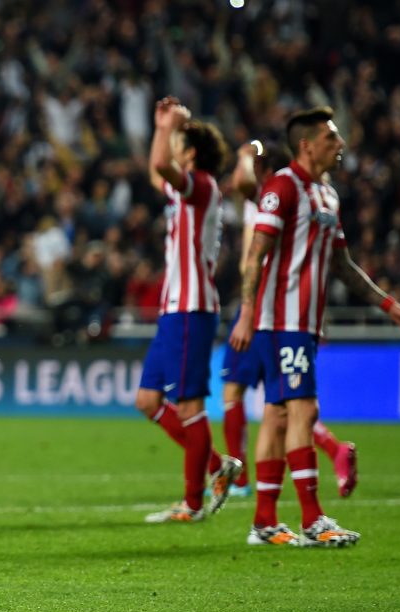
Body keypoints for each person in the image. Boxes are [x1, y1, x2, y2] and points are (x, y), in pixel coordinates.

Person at [229, 106, 400, 547]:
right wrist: (245, 313)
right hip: (282, 321)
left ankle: (264, 522)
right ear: (307, 144)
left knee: (278, 417)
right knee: (304, 410)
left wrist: (388, 305)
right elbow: (256, 253)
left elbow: (343, 264)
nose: (341, 146)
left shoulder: (327, 196)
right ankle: (314, 519)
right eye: (333, 138)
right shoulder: (283, 186)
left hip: (305, 324)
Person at [219, 140, 359, 499]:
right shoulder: (284, 199)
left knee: (250, 394)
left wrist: (244, 153)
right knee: (282, 403)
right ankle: (331, 452)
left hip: (266, 310)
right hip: (283, 310)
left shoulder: (273, 196)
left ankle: (241, 480)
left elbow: (241, 181)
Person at [135, 97, 243, 524]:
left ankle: (193, 504)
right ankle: (218, 465)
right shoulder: (186, 189)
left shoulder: (201, 186)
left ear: (191, 152)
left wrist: (165, 125)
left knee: (189, 407)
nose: (172, 148)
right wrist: (165, 129)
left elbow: (161, 166)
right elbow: (155, 170)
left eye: (179, 142)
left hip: (192, 308)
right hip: (173, 311)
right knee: (147, 399)